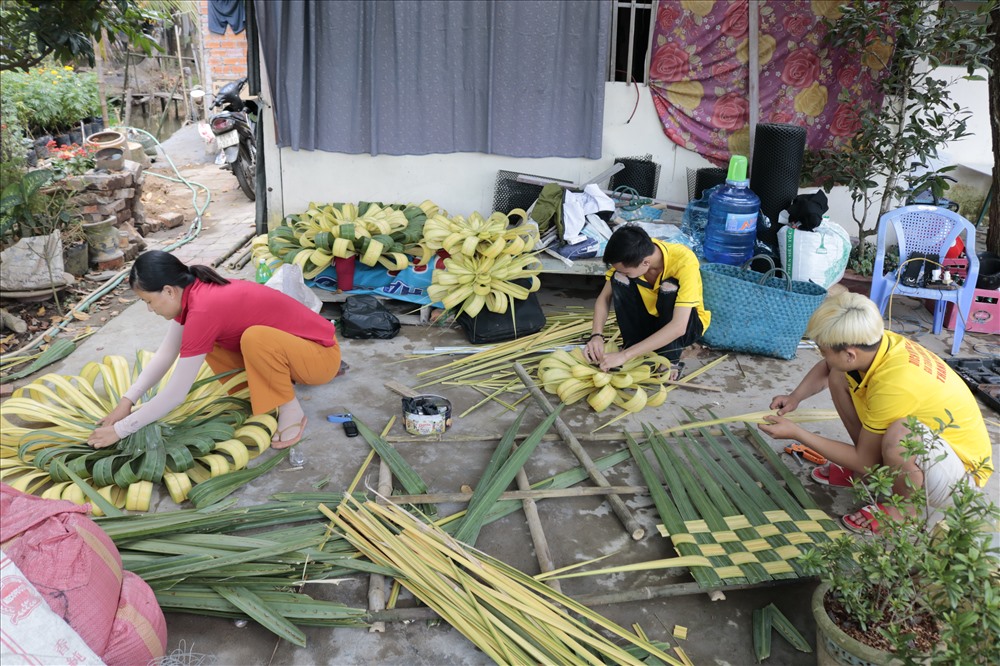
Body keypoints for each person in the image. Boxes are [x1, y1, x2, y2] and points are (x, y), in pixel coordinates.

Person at [760, 291, 992, 533]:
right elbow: (830, 366)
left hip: (960, 476)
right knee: (839, 375)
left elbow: (866, 457)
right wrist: (795, 397)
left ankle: (903, 509)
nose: (821, 354)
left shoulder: (895, 382)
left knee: (900, 434)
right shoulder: (875, 343)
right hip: (935, 450)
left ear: (850, 353)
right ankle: (869, 474)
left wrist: (797, 433)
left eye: (822, 349)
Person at [87, 251, 341, 450]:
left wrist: (121, 431)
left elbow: (176, 393)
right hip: (293, 353)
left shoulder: (205, 308)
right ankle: (264, 395)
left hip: (320, 357)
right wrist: (126, 402)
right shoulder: (192, 294)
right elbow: (166, 354)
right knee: (207, 344)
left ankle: (290, 409)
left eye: (149, 301)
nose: (150, 309)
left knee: (256, 338)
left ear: (168, 291)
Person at [584, 225, 710, 377]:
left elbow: (679, 327)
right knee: (618, 278)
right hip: (651, 323)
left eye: (627, 270)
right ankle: (633, 345)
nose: (624, 272)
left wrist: (624, 356)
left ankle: (669, 358)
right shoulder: (633, 253)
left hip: (686, 327)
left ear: (646, 262)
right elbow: (604, 298)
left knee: (669, 287)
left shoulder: (684, 261)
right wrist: (596, 335)